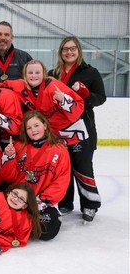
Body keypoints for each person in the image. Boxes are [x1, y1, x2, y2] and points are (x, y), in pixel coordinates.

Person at [48, 36, 106, 221]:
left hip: (82, 129)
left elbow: (101, 98)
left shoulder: (90, 72)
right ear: (60, 52)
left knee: (83, 166)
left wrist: (86, 95)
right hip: (58, 130)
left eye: (72, 49)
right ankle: (65, 203)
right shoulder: (52, 74)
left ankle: (90, 205)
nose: (69, 52)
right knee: (62, 168)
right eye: (65, 49)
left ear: (79, 50)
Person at [0, 110, 70, 241]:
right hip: (17, 199)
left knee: (46, 232)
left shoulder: (59, 150)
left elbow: (61, 181)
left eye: (36, 125)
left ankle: (43, 216)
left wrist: (42, 202)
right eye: (29, 128)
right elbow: (8, 177)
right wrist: (8, 157)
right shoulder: (18, 147)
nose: (33, 130)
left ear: (45, 125)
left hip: (40, 201)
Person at [3, 60, 86, 147]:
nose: (34, 75)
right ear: (25, 75)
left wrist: (64, 99)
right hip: (48, 136)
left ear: (44, 74)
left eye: (37, 72)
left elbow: (79, 107)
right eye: (30, 73)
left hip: (73, 134)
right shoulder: (19, 86)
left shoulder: (54, 86)